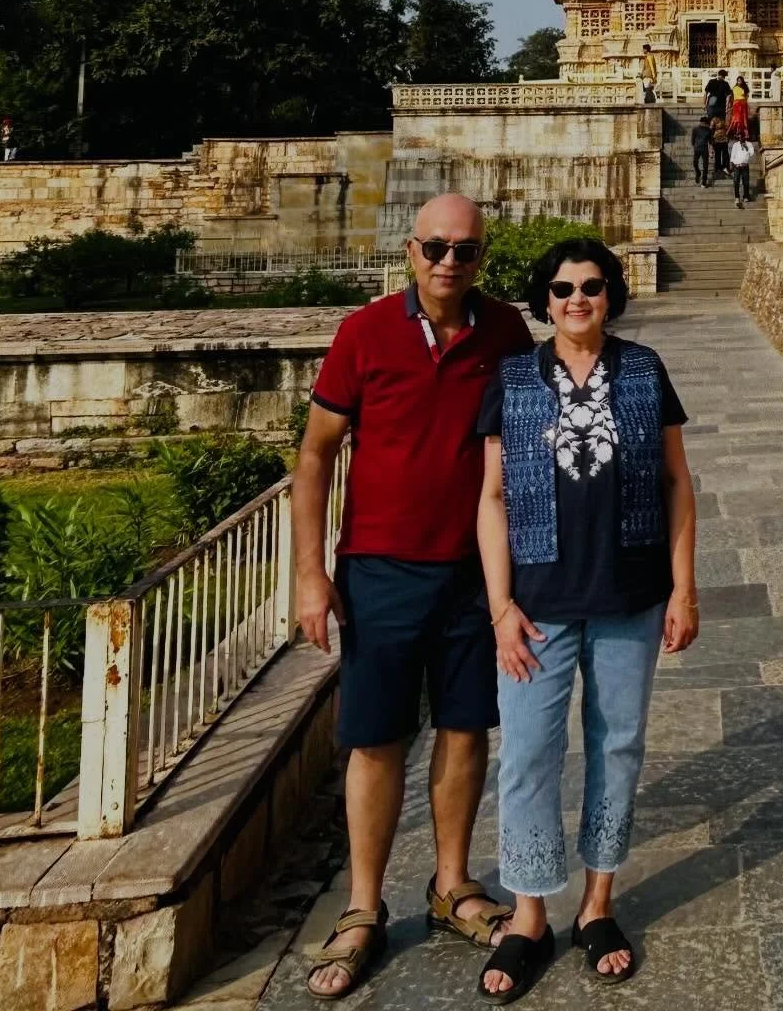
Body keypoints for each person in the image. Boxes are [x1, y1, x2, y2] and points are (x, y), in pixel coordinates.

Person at [293, 195, 533, 1001]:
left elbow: (529, 447)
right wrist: (309, 572)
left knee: (466, 729)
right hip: (381, 567)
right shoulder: (363, 333)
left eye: (465, 250)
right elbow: (316, 456)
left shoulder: (504, 332)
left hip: (474, 570)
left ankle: (453, 884)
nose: (449, 262)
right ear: (411, 251)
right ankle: (363, 904)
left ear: (482, 258)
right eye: (436, 247)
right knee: (377, 736)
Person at [476, 239, 699, 1001]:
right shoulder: (513, 379)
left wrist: (684, 587)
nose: (578, 299)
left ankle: (597, 905)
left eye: (593, 287)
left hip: (629, 594)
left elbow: (677, 481)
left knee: (619, 746)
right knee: (529, 752)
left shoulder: (642, 371)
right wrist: (500, 607)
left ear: (612, 296)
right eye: (564, 288)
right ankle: (531, 914)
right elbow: (493, 499)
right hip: (536, 606)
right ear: (544, 301)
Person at [729, 133, 756, 207]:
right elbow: (733, 155)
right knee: (736, 181)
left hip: (745, 165)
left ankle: (746, 196)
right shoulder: (735, 145)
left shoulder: (749, 144)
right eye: (739, 138)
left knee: (746, 182)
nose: (740, 139)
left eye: (742, 137)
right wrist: (731, 164)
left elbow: (752, 153)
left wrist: (746, 147)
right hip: (737, 166)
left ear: (745, 137)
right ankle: (737, 197)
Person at [690, 114, 713, 187]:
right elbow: (693, 139)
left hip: (705, 149)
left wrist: (711, 151)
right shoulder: (695, 129)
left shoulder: (709, 130)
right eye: (705, 124)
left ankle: (704, 181)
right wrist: (694, 146)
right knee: (695, 163)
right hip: (697, 148)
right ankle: (698, 172)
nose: (706, 125)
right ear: (702, 123)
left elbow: (711, 141)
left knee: (705, 166)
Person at [727, 75, 751, 141]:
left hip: (743, 104)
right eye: (738, 81)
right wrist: (729, 106)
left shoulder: (745, 88)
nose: (739, 82)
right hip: (736, 104)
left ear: (742, 81)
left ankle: (744, 134)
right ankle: (735, 132)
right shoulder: (734, 88)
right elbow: (731, 97)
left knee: (744, 119)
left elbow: (746, 97)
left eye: (740, 81)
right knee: (737, 118)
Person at [710, 112, 730, 180]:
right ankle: (718, 168)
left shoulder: (726, 118)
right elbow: (711, 128)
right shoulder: (714, 119)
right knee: (717, 155)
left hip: (724, 139)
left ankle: (725, 167)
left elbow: (728, 127)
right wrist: (711, 139)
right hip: (717, 139)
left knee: (726, 155)